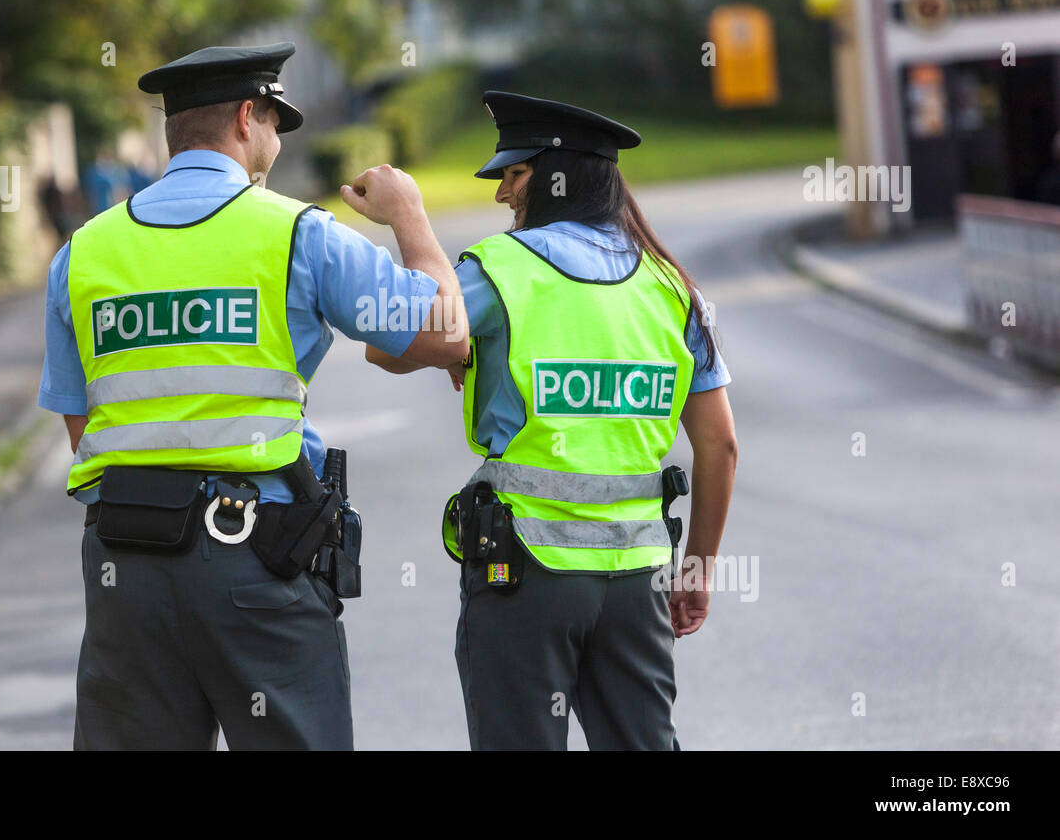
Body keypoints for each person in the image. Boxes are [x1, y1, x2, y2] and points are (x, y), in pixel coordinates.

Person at [37, 42, 467, 750]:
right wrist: (409, 216)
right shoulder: (296, 233)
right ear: (247, 117)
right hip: (254, 560)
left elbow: (83, 426)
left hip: (124, 568)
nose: (276, 138)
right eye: (275, 121)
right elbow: (446, 334)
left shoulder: (83, 250)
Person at [365, 91, 737, 750]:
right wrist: (697, 571)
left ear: (555, 178)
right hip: (637, 580)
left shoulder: (502, 268)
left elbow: (391, 341)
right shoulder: (671, 285)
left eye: (513, 173)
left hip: (526, 575)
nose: (503, 194)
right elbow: (721, 446)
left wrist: (411, 221)